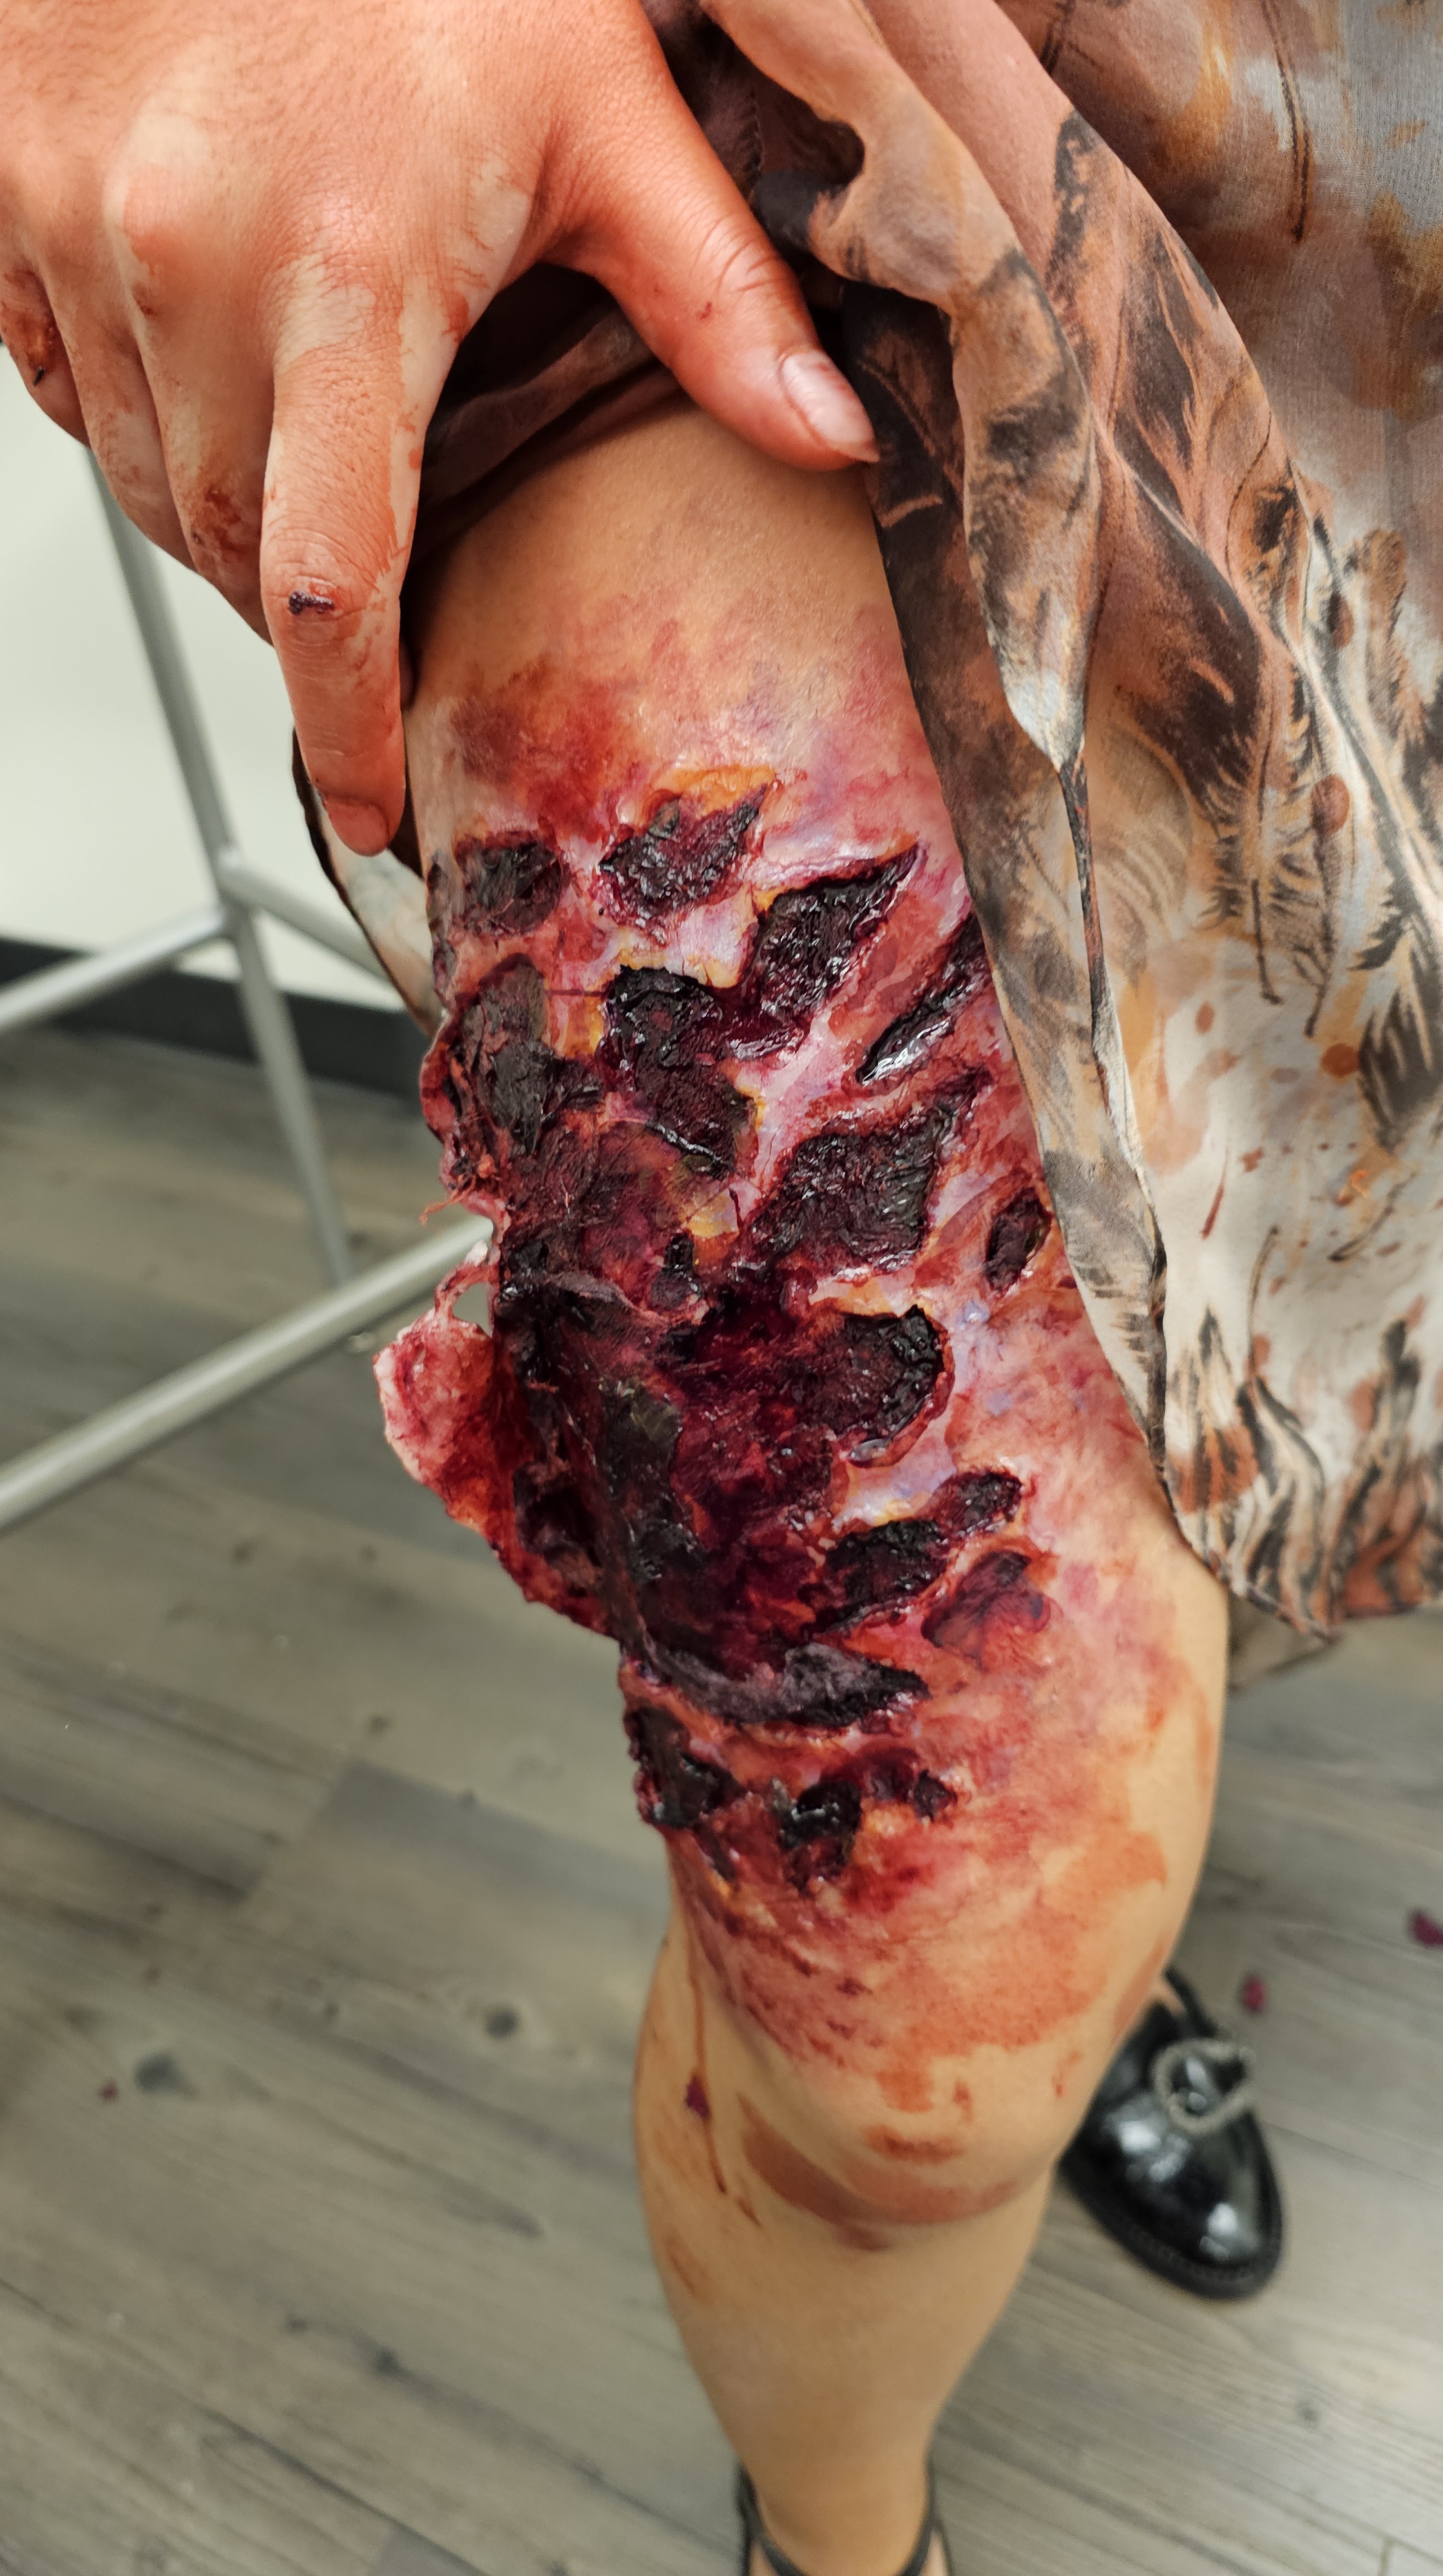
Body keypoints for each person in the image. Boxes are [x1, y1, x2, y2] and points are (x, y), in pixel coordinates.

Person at [6, 5, 1438, 2572]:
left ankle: (1164, 1868)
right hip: (698, 165)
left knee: (1293, 1268)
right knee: (923, 2010)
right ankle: (836, 2537)